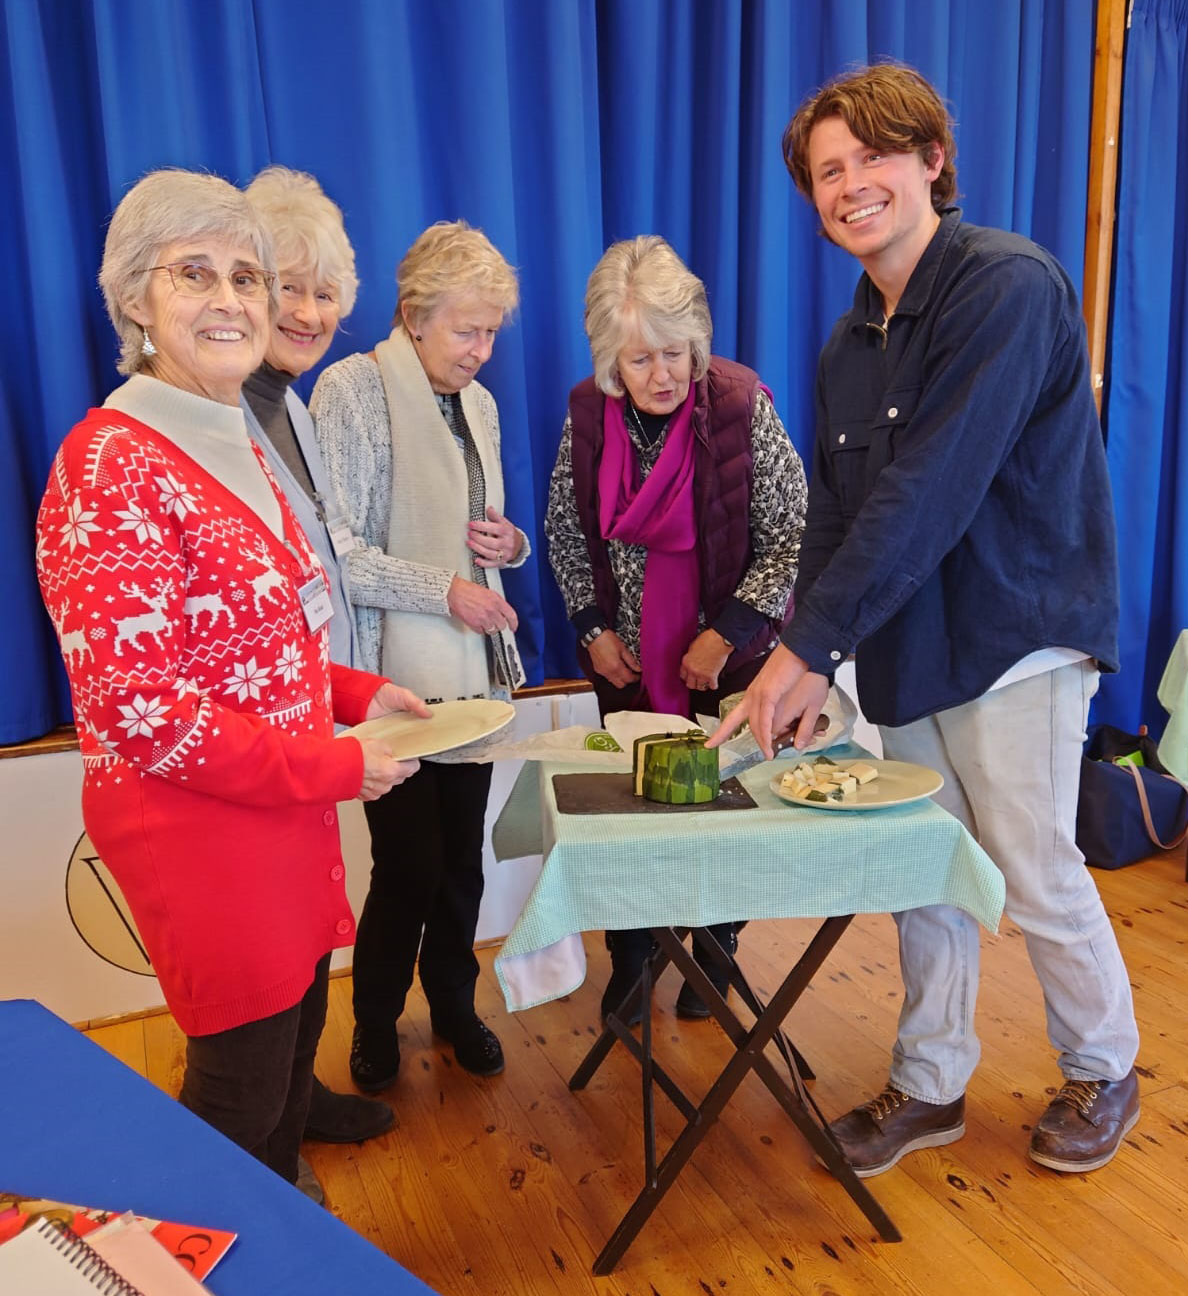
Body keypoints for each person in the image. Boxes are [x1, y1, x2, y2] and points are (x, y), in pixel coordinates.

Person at [711, 63, 1139, 1176]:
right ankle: (930, 1083)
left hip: (1015, 633)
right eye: (828, 171)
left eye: (873, 158)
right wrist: (796, 658)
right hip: (908, 641)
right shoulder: (845, 345)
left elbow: (934, 488)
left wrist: (810, 653)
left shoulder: (1010, 288)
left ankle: (1104, 1066)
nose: (852, 185)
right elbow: (838, 517)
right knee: (921, 870)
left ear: (932, 161)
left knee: (1031, 864)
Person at [34, 170, 428, 1199]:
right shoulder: (112, 459)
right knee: (240, 1085)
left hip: (279, 798)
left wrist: (350, 693)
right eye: (194, 273)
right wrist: (331, 761)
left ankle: (277, 1217)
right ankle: (197, 1241)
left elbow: (265, 637)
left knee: (297, 1030)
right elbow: (139, 706)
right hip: (197, 824)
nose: (232, 299)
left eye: (247, 275)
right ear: (134, 300)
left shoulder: (235, 437)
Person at [545, 236, 807, 1022]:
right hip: (624, 663)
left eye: (674, 353)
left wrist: (724, 635)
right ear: (608, 362)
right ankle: (633, 960)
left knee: (724, 814)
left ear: (697, 344)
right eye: (638, 360)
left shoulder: (739, 404)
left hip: (727, 664)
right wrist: (592, 629)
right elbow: (564, 527)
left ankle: (716, 954)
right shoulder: (589, 415)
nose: (661, 376)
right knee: (631, 816)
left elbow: (792, 534)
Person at [312, 220, 527, 1092]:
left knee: (461, 865)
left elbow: (488, 542)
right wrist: (446, 591)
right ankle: (371, 1022)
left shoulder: (479, 403)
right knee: (407, 866)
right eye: (464, 330)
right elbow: (340, 555)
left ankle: (454, 1005)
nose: (480, 351)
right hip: (390, 680)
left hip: (472, 678)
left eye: (490, 333)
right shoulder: (351, 390)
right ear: (411, 317)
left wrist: (508, 547)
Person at [242, 166, 393, 1164]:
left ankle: (298, 1102)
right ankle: (265, 1141)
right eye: (285, 287)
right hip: (256, 731)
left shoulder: (290, 406)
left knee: (310, 929)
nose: (308, 311)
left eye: (326, 290)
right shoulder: (221, 411)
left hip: (312, 700)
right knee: (261, 959)